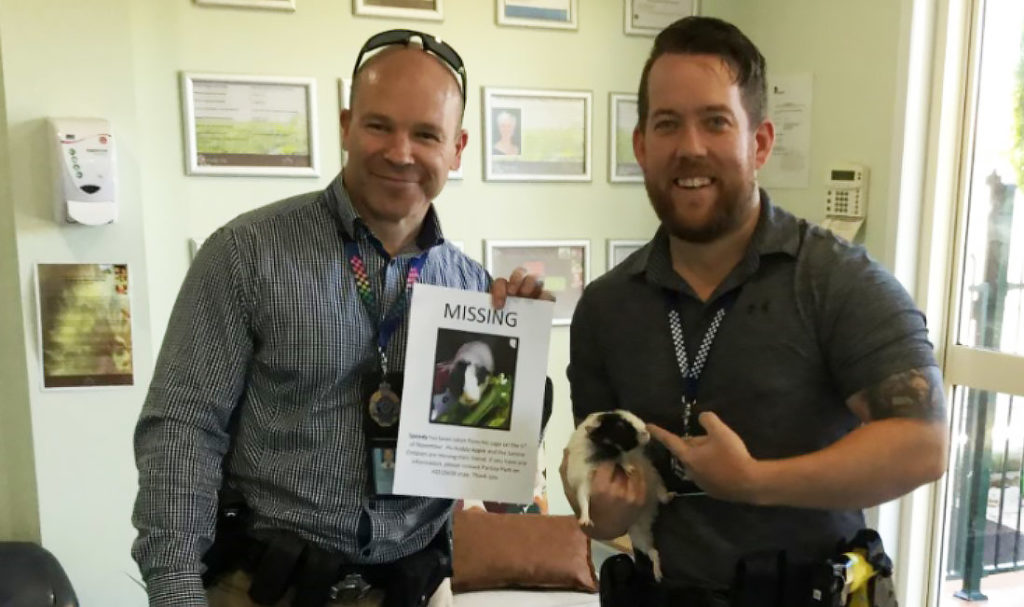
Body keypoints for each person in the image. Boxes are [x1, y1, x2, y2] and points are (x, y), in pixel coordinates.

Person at [132, 29, 547, 607]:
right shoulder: (246, 253)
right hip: (263, 588)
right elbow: (182, 430)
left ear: (457, 148)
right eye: (380, 125)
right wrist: (175, 591)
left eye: (426, 134)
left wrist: (520, 375)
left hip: (416, 590)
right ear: (347, 124)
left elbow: (491, 487)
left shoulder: (474, 291)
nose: (400, 152)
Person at [563, 16, 947, 607]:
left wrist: (754, 483)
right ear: (641, 145)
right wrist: (603, 510)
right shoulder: (605, 308)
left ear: (760, 142)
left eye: (716, 121)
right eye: (667, 124)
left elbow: (922, 445)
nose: (690, 147)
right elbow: (597, 485)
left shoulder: (837, 280)